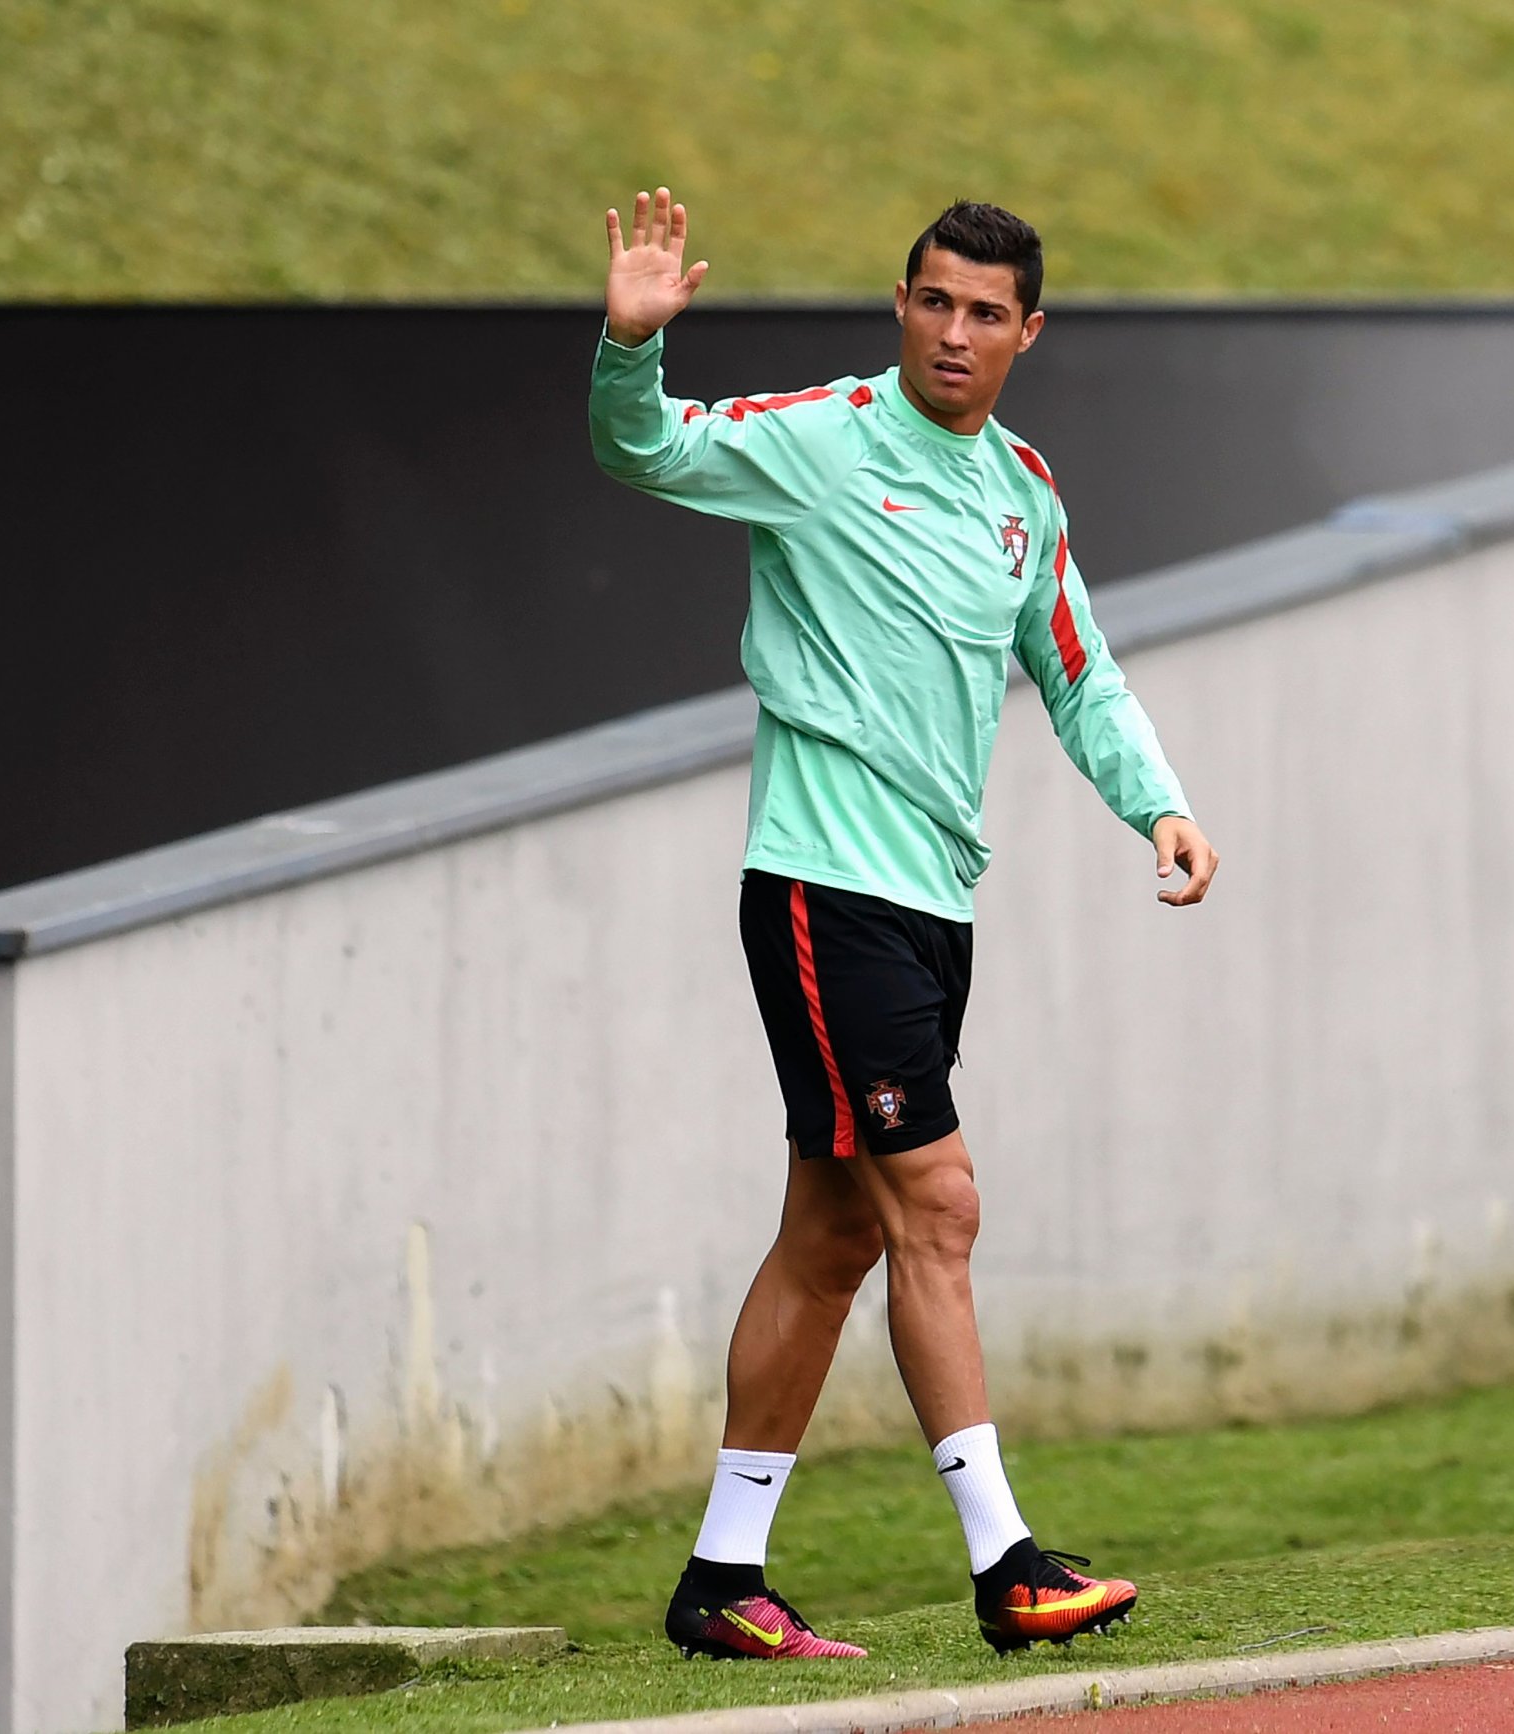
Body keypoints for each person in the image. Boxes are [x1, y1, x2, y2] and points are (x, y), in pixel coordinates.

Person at [589, 190, 1220, 1662]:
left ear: (1027, 332)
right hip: (823, 890)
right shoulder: (821, 438)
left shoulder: (1021, 491)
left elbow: (1078, 669)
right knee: (936, 1205)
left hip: (934, 905)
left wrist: (1161, 805)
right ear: (901, 302)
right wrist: (628, 349)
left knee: (831, 1239)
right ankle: (1006, 1561)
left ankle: (719, 1578)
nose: (954, 331)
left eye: (985, 311)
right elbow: (648, 447)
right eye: (934, 300)